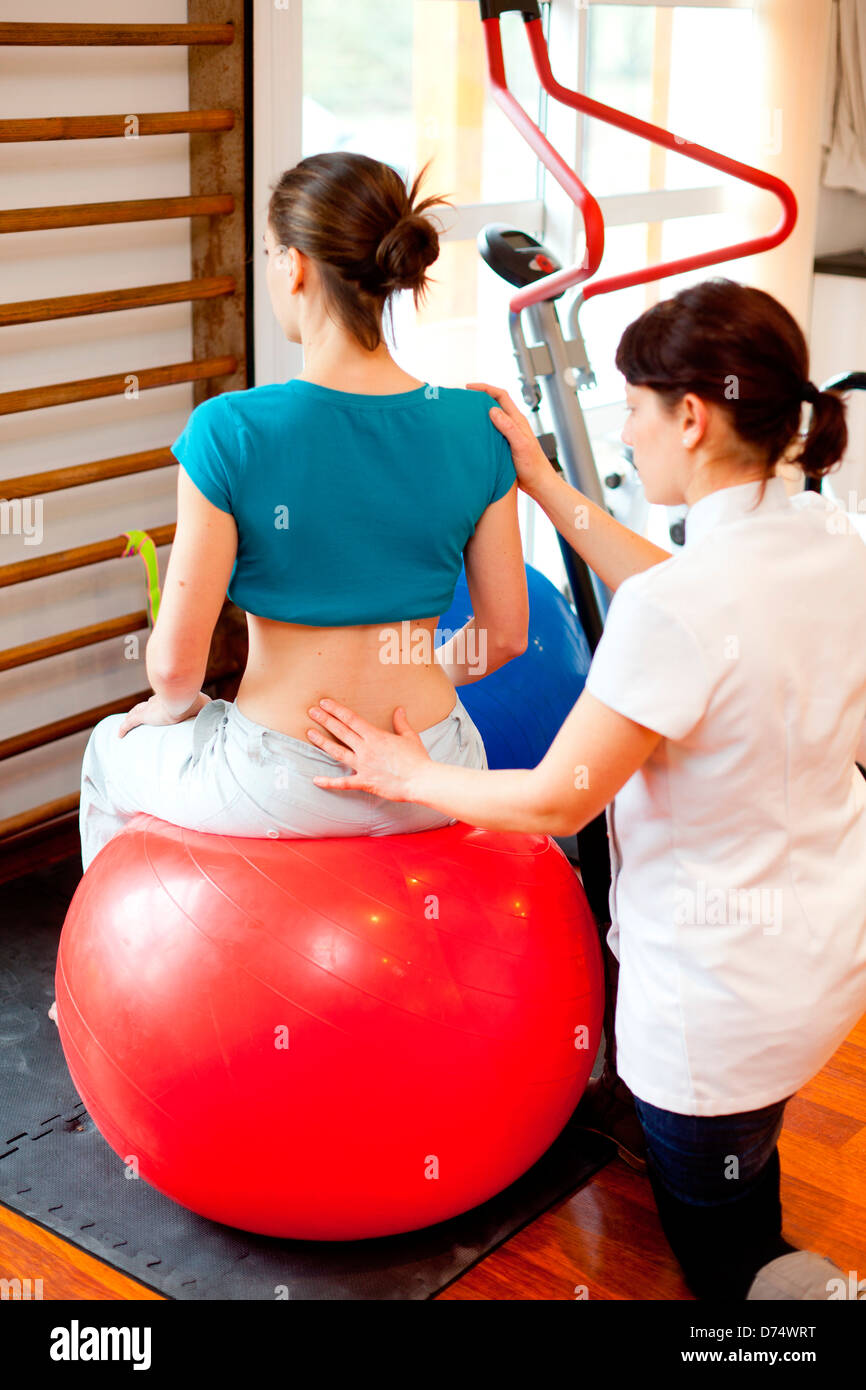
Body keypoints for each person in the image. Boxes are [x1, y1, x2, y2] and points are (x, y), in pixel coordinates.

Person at [302, 278, 866, 1302]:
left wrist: (407, 770)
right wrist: (540, 478)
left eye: (636, 408)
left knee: (731, 1261)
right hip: (822, 952)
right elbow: (676, 596)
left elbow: (561, 800)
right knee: (742, 1153)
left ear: (688, 417)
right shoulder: (833, 540)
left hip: (720, 1002)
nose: (632, 431)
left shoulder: (681, 611)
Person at [72, 151, 527, 878]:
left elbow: (177, 669)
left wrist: (165, 710)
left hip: (281, 782)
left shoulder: (231, 429)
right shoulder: (477, 425)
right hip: (433, 766)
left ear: (295, 266)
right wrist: (412, 682)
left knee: (107, 749)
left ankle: (89, 991)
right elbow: (503, 638)